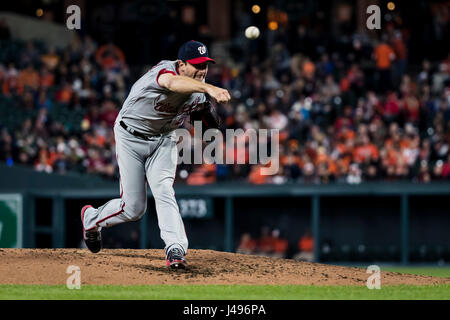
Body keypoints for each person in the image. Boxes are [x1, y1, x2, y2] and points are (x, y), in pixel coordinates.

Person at [81, 40, 231, 269]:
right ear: (181, 64)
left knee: (163, 189)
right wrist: (209, 88)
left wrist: (207, 127)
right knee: (133, 208)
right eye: (197, 65)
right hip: (130, 136)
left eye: (205, 65)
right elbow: (171, 83)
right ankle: (92, 219)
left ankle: (175, 249)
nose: (202, 70)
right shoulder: (165, 71)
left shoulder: (198, 96)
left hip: (164, 139)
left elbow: (205, 129)